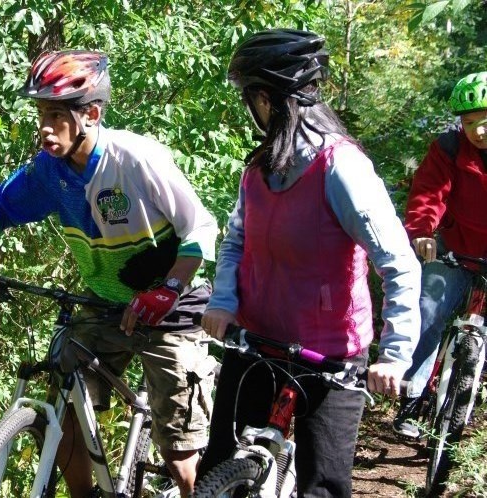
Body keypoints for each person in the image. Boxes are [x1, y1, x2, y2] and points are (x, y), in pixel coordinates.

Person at [0, 50, 218, 497]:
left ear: (91, 114)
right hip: (101, 306)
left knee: (180, 458)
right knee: (67, 418)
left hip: (168, 311)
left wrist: (169, 288)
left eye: (55, 114)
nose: (43, 126)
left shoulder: (135, 160)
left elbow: (200, 227)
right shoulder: (50, 171)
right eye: (40, 113)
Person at [196, 29, 422, 497]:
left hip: (330, 356)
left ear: (266, 99)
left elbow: (398, 263)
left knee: (322, 487)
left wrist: (396, 356)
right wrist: (222, 302)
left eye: (250, 98)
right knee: (219, 471)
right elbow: (236, 241)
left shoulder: (342, 168)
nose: (249, 109)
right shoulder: (259, 168)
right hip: (257, 340)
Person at [393, 71, 487, 438]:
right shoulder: (448, 147)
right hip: (454, 246)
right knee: (427, 313)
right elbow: (430, 192)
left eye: (484, 120)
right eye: (469, 122)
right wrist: (422, 232)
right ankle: (411, 402)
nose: (477, 130)